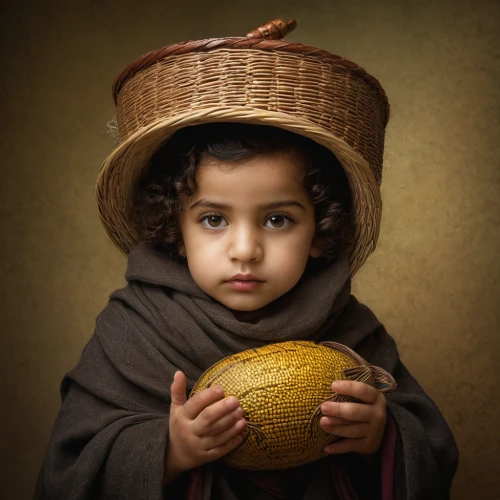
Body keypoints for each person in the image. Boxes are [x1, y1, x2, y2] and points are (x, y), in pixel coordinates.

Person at [34, 18, 458, 500]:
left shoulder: (352, 332)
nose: (244, 250)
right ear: (175, 229)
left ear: (320, 230)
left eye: (277, 220)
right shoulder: (132, 331)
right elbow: (68, 469)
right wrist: (169, 450)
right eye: (214, 220)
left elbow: (433, 450)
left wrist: (382, 437)